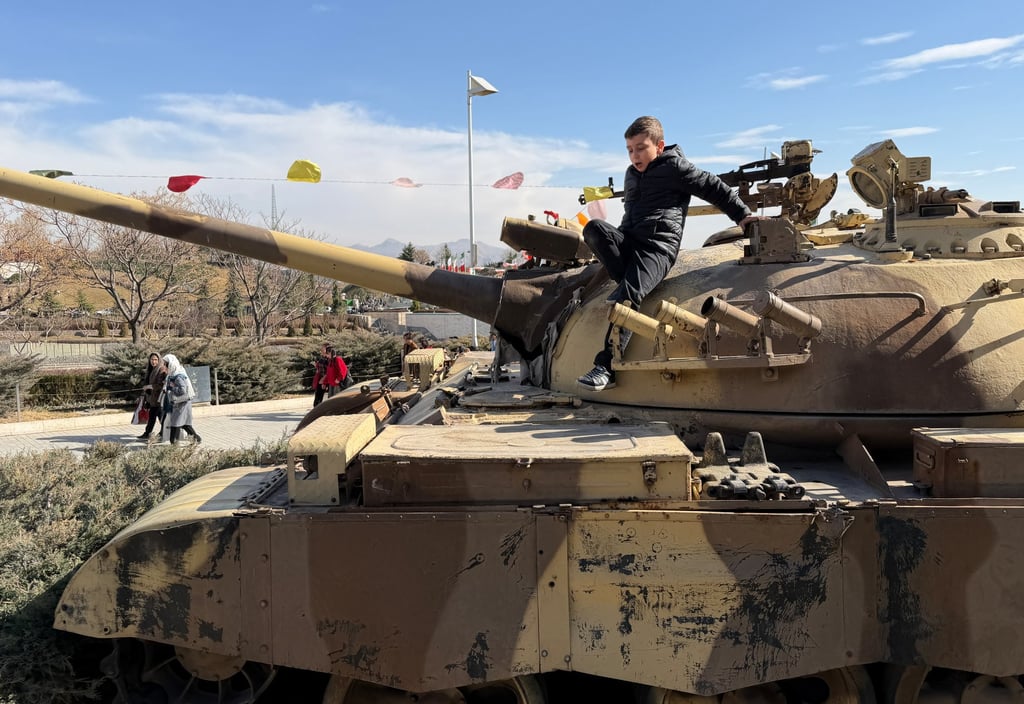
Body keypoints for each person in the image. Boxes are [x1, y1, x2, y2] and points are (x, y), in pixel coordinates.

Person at [577, 116, 761, 391]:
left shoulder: (675, 167)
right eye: (629, 149)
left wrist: (743, 216)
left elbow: (712, 186)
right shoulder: (631, 174)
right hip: (630, 242)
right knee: (593, 228)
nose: (634, 155)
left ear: (659, 146)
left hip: (657, 249)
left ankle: (606, 367)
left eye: (641, 148)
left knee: (627, 296)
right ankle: (632, 283)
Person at [162, 354, 202, 444]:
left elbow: (182, 390)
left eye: (165, 364)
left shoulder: (178, 376)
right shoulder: (173, 374)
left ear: (171, 364)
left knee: (176, 423)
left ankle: (174, 444)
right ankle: (196, 439)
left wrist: (172, 387)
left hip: (182, 403)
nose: (164, 366)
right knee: (183, 423)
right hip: (180, 403)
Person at [137, 352, 167, 441]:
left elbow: (161, 385)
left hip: (159, 399)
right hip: (152, 398)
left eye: (155, 360)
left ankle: (164, 433)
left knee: (160, 418)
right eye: (152, 359)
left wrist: (150, 386)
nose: (153, 362)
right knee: (152, 417)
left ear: (159, 360)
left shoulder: (162, 369)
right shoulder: (150, 370)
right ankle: (148, 433)